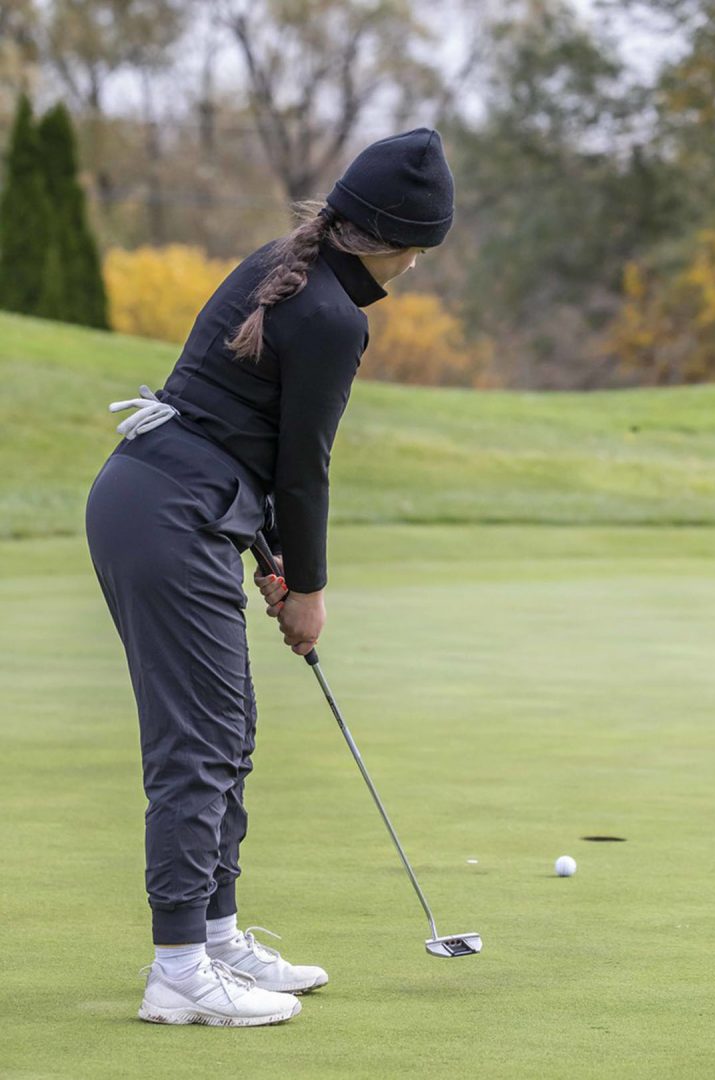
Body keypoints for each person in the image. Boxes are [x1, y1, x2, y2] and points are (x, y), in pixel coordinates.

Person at [85, 127, 455, 1028]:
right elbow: (304, 467)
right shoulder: (332, 316)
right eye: (421, 251)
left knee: (228, 728)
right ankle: (178, 968)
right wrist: (310, 589)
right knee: (199, 744)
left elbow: (241, 428)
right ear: (400, 245)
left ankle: (216, 936)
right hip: (171, 516)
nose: (417, 266)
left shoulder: (282, 263)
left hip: (166, 500)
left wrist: (274, 559)